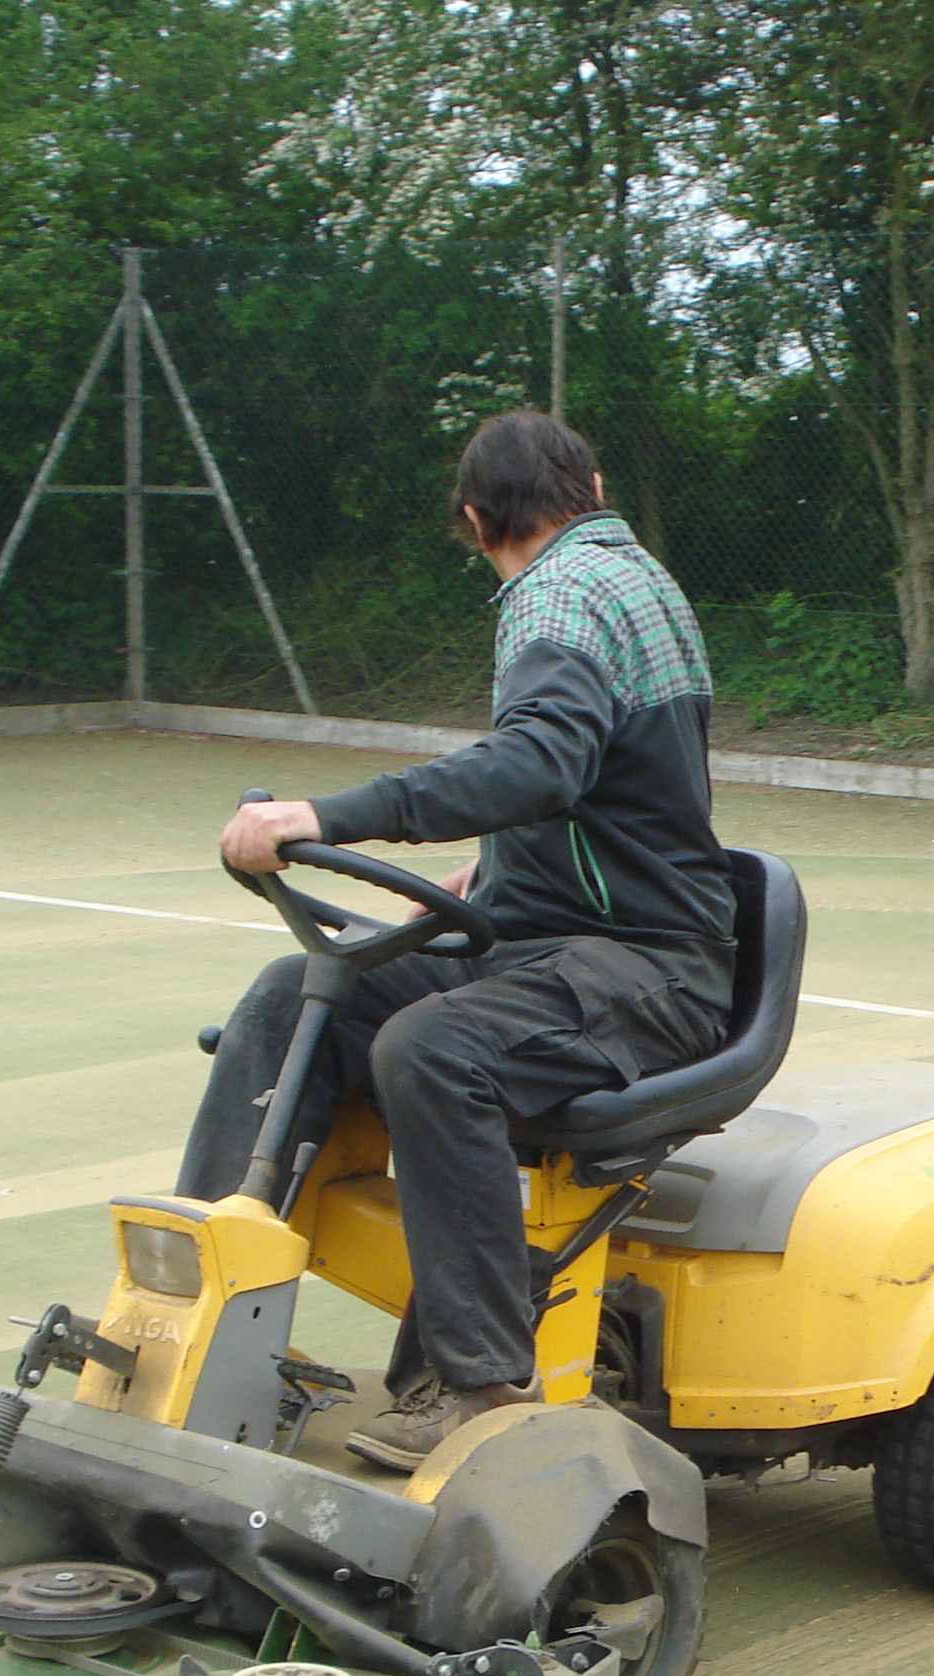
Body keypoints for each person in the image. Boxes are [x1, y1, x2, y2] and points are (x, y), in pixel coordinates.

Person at [179, 410, 732, 1470]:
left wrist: (321, 816)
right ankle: (212, 1316)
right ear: (595, 485)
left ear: (479, 522)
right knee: (300, 994)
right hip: (562, 931)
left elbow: (542, 764)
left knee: (434, 1047)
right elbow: (615, 782)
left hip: (651, 966)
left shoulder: (558, 595)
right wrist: (498, 867)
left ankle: (482, 1389)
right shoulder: (632, 575)